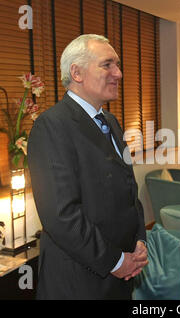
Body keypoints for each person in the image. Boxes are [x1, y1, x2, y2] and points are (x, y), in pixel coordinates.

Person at [28, 34, 148, 299]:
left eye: (117, 64)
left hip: (120, 276)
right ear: (77, 72)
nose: (118, 73)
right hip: (80, 282)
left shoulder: (111, 122)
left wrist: (140, 239)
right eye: (107, 65)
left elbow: (130, 191)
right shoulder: (51, 126)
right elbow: (62, 215)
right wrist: (115, 262)